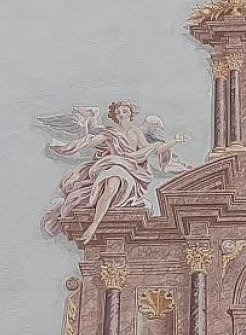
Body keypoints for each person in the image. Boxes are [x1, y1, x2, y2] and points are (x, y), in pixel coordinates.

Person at [42, 100, 189, 243]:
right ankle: (94, 225)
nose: (121, 114)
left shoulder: (136, 132)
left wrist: (175, 141)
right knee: (111, 185)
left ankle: (95, 223)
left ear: (131, 113)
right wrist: (73, 139)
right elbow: (89, 142)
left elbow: (153, 149)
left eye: (124, 111)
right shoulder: (110, 133)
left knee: (112, 186)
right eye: (118, 112)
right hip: (113, 165)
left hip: (131, 169)